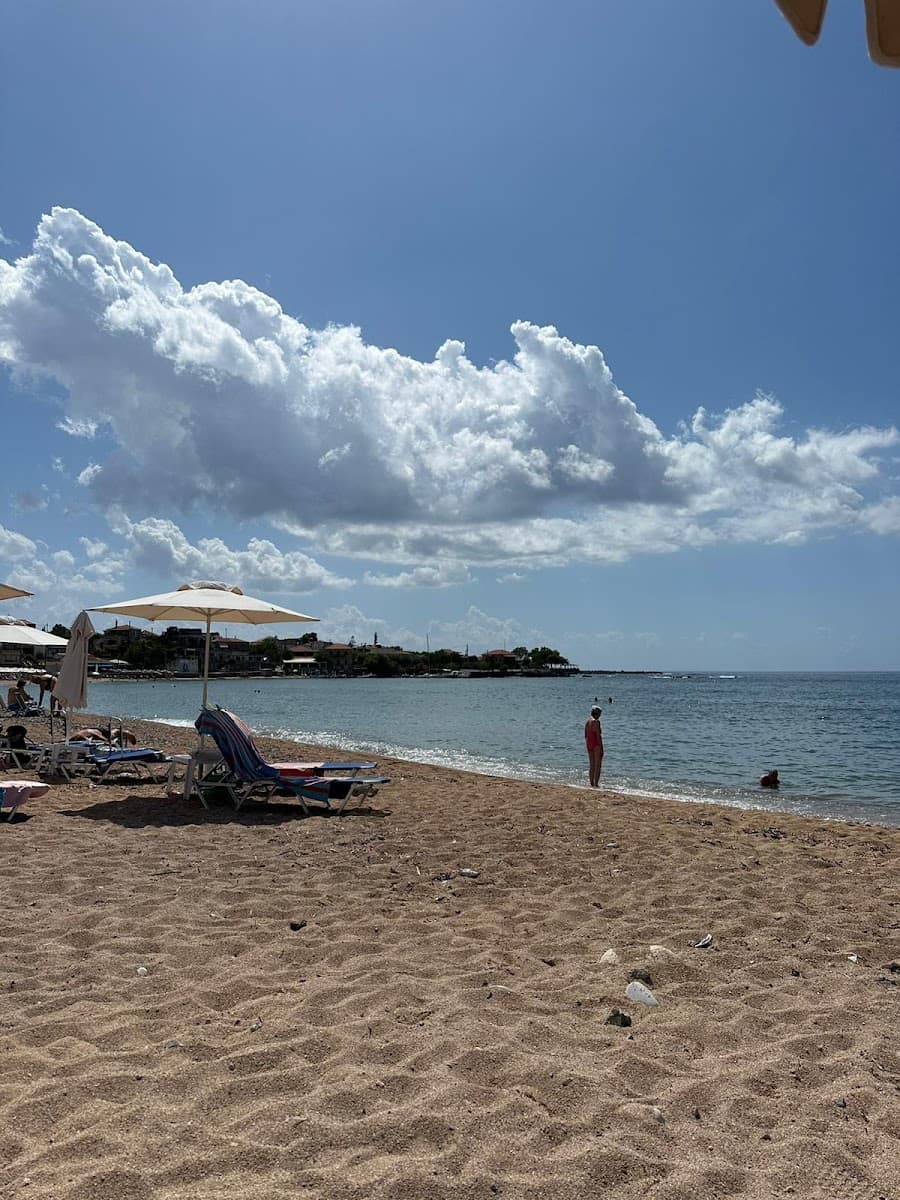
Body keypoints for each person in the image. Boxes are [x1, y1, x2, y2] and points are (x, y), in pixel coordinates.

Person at [584, 705, 604, 788]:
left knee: (591, 765)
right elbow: (598, 736)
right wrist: (602, 748)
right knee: (598, 765)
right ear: (597, 713)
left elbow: (585, 735)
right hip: (596, 743)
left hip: (589, 743)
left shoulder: (587, 721)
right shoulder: (596, 722)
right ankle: (596, 784)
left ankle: (591, 783)